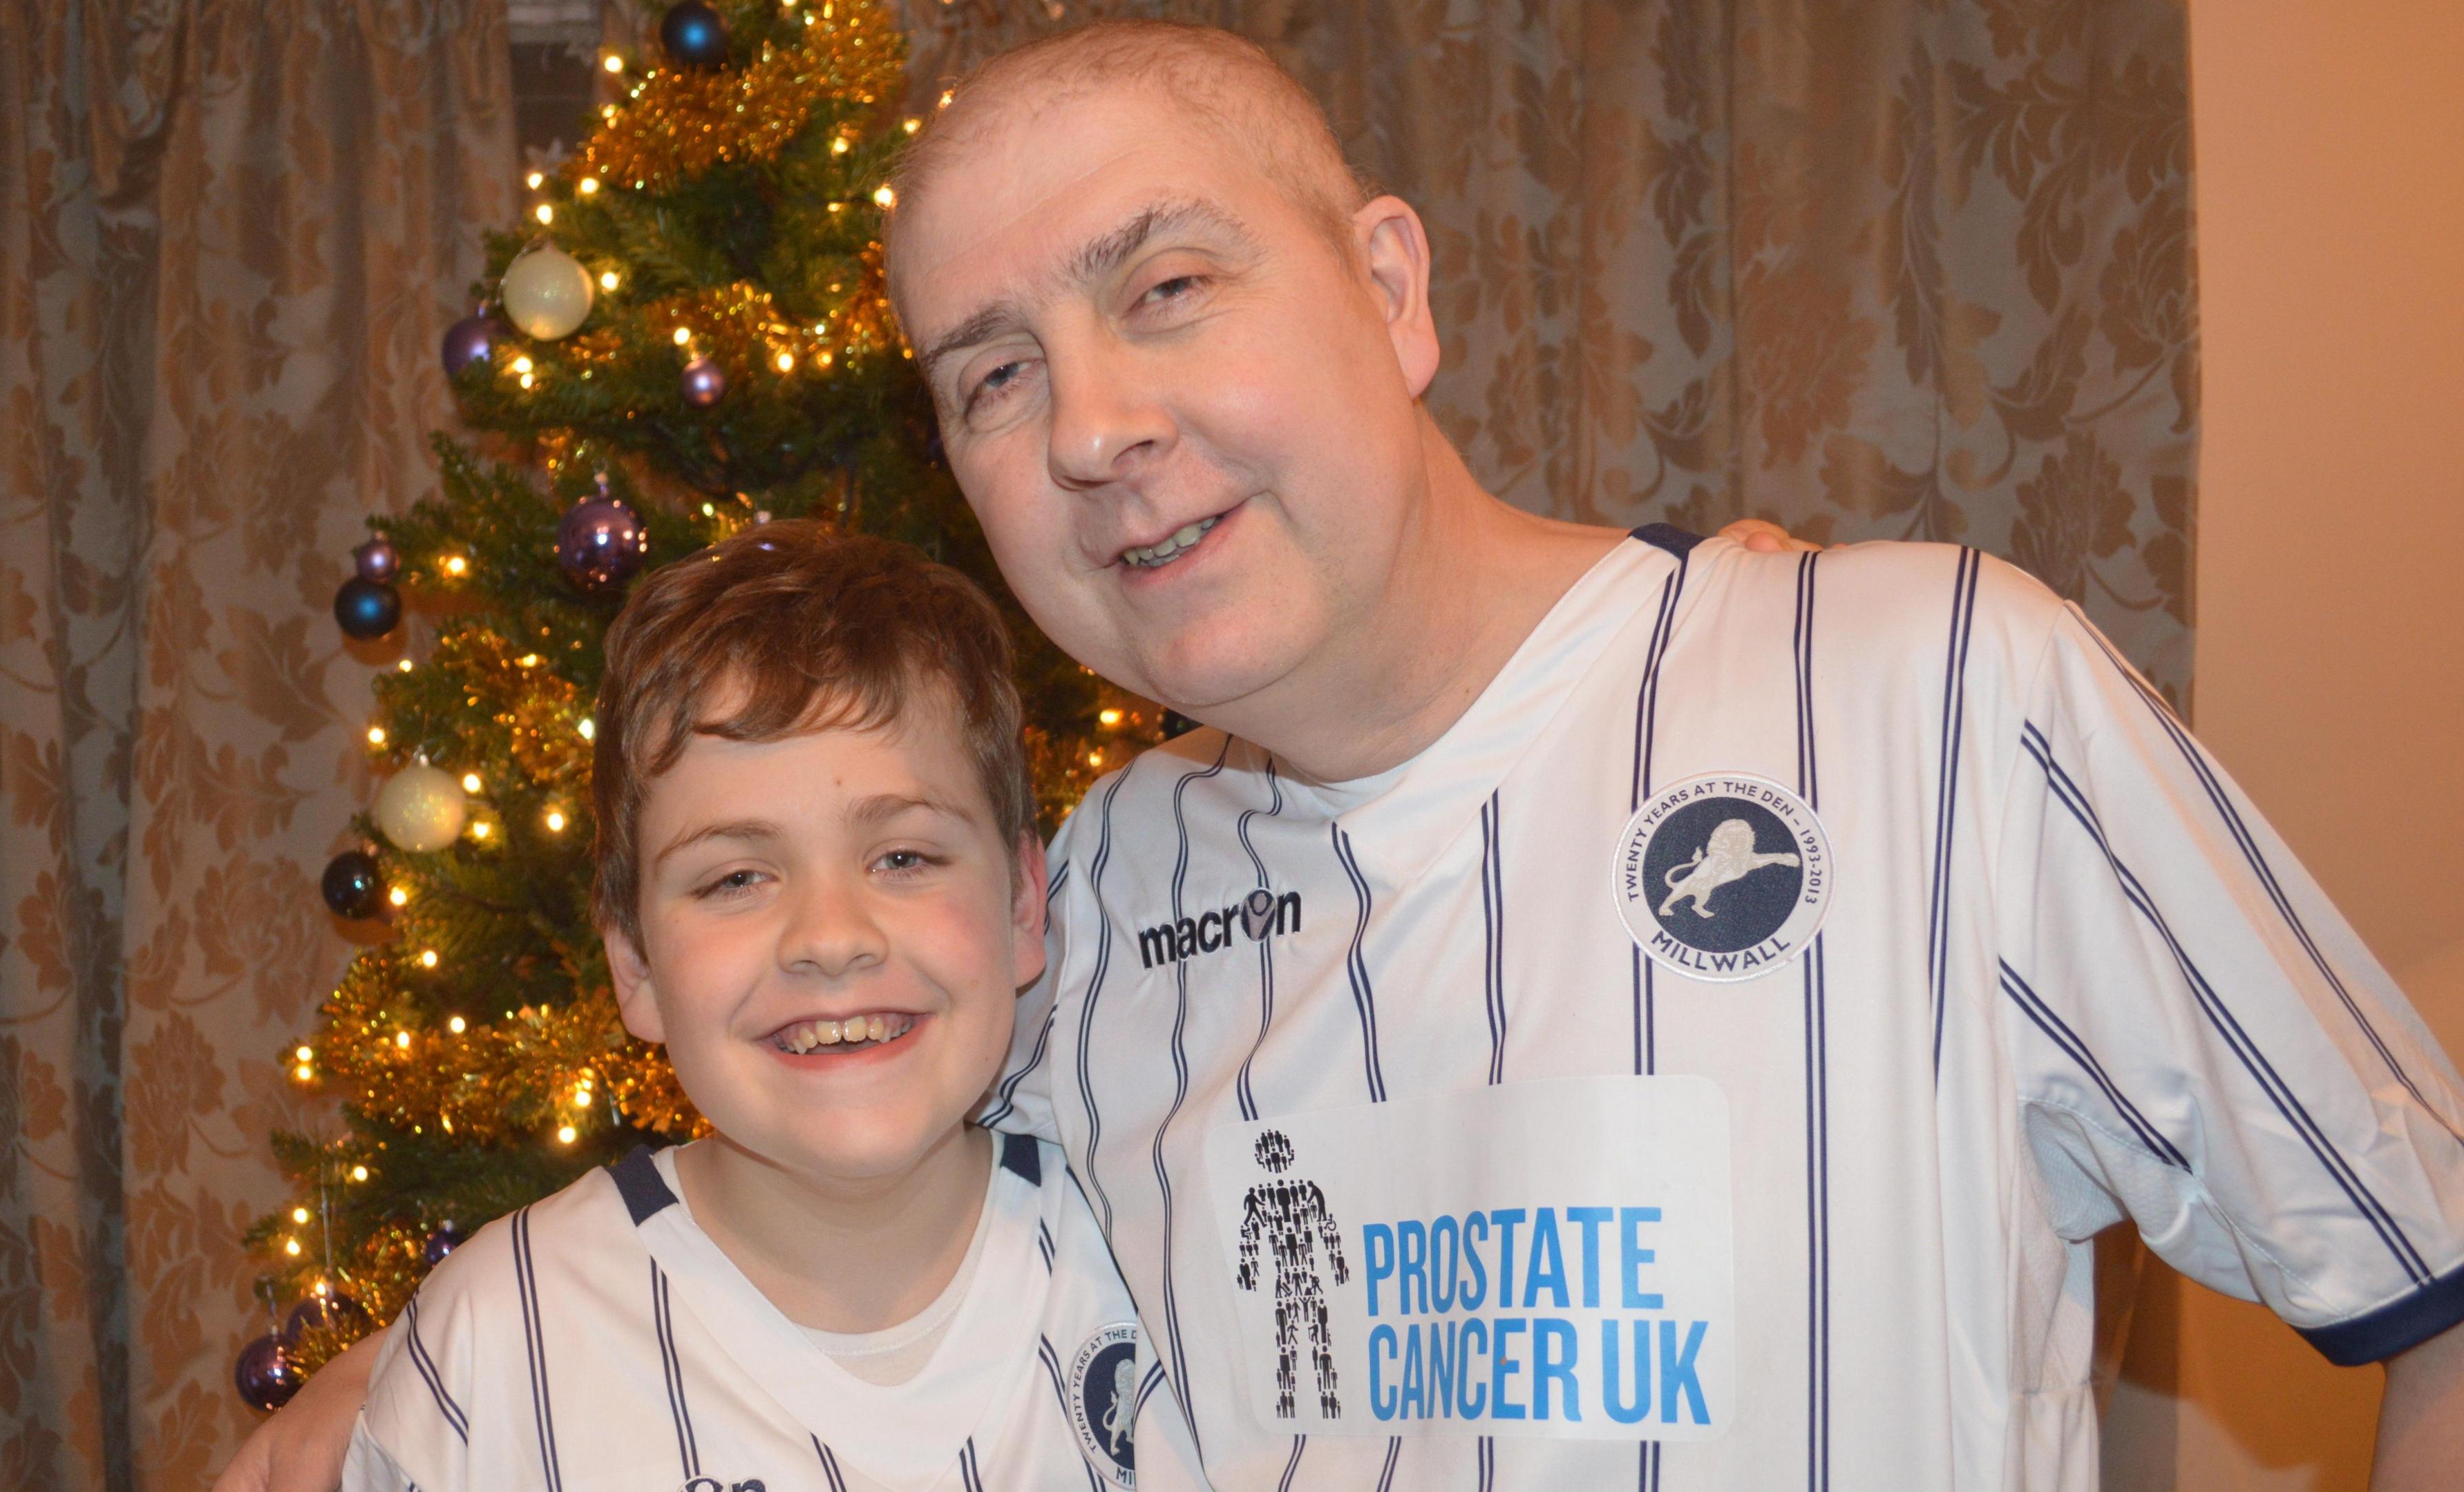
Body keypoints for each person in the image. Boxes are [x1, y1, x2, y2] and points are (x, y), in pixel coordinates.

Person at [224, 19, 2464, 1492]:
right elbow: (785, 1185)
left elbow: (2431, 1276)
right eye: (991, 376)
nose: (1094, 424)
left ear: (1394, 291)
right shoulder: (1079, 902)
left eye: (1169, 286)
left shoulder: (1937, 701)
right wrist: (404, 1391)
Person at [334, 525, 1201, 1492]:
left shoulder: (1164, 1265)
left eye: (903, 858)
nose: (830, 937)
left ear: (1023, 906)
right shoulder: (494, 1349)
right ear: (636, 966)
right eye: (737, 878)